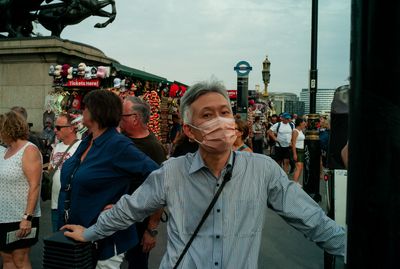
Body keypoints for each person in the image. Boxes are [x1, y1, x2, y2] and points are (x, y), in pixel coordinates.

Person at [61, 80, 345, 269]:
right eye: (208, 116)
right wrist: (91, 233)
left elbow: (312, 220)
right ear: (189, 130)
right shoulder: (172, 173)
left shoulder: (262, 170)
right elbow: (130, 209)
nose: (220, 121)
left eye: (225, 112)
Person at [57, 89, 159, 268]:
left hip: (104, 239)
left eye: (85, 108)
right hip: (74, 232)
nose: (82, 112)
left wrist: (127, 206)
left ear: (96, 111)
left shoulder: (118, 145)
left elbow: (158, 177)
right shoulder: (87, 141)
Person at [120, 96, 167, 269]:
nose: (118, 118)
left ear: (135, 118)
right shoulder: (121, 139)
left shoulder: (153, 148)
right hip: (118, 219)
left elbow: (161, 191)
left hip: (139, 224)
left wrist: (151, 230)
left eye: (122, 115)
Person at [0, 111, 42, 269]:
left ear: (7, 129)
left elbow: (34, 185)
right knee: (7, 259)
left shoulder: (29, 150)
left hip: (21, 217)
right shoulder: (5, 151)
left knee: (20, 259)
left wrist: (27, 217)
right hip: (3, 216)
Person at [48, 113, 81, 232]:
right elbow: (51, 169)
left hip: (71, 206)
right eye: (54, 127)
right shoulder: (56, 147)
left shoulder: (81, 147)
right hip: (55, 204)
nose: (55, 130)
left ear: (71, 128)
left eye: (58, 127)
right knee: (56, 239)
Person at [291, 118, 306, 185]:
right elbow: (293, 143)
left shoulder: (301, 131)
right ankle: (294, 183)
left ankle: (296, 182)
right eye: (303, 123)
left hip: (302, 150)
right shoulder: (295, 131)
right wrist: (294, 154)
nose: (305, 124)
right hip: (297, 150)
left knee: (300, 167)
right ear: (300, 123)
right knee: (298, 167)